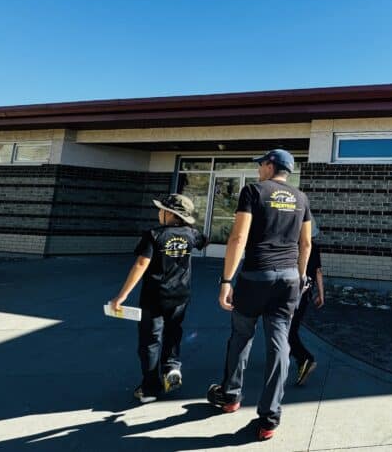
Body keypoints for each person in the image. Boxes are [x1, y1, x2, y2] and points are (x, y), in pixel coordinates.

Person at [207, 149, 312, 442]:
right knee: (279, 344)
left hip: (255, 277)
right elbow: (306, 244)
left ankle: (230, 397)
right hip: (289, 278)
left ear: (270, 166)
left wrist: (227, 280)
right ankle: (269, 419)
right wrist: (301, 277)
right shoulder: (301, 198)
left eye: (260, 165)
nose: (257, 171)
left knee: (241, 335)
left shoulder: (253, 191)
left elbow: (238, 237)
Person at [109, 193, 206, 404]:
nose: (158, 212)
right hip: (180, 295)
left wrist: (121, 296)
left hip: (154, 297)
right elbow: (202, 241)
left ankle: (150, 387)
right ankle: (172, 367)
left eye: (161, 209)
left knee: (150, 341)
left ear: (169, 214)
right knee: (173, 332)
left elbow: (141, 265)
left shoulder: (153, 235)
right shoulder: (191, 234)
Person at [288, 218, 325, 386]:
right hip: (306, 293)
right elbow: (318, 272)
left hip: (293, 292)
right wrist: (321, 295)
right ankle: (284, 356)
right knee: (291, 327)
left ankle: (304, 359)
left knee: (287, 331)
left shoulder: (293, 246)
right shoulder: (315, 248)